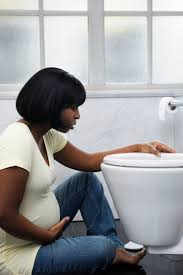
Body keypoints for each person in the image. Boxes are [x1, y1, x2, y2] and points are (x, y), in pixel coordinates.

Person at [0, 67, 176, 275]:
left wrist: (139, 147)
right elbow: (4, 214)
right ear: (52, 106)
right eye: (72, 107)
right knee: (101, 248)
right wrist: (44, 236)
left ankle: (113, 249)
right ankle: (109, 251)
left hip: (43, 234)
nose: (78, 115)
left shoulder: (46, 135)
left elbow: (90, 162)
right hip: (20, 253)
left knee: (85, 181)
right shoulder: (18, 138)